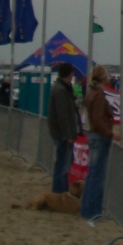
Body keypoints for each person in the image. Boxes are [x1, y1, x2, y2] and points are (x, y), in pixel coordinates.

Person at [79, 68, 120, 224]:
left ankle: (86, 209)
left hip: (93, 135)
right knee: (97, 176)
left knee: (92, 175)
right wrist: (109, 134)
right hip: (99, 136)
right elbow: (97, 119)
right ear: (103, 77)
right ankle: (92, 212)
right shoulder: (98, 95)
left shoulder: (91, 92)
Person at [46, 66, 81, 195]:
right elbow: (62, 115)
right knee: (62, 165)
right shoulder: (60, 90)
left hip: (63, 133)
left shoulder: (63, 88)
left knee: (64, 164)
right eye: (72, 73)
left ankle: (63, 190)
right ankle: (58, 192)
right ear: (69, 74)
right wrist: (67, 136)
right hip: (62, 134)